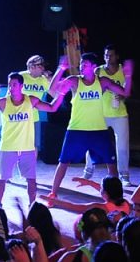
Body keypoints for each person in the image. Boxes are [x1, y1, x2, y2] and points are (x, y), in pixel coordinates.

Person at [47, 52, 133, 199]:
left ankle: (116, 197)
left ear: (94, 67)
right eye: (81, 64)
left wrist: (128, 76)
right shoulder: (74, 81)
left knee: (111, 165)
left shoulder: (102, 82)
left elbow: (125, 92)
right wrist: (61, 69)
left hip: (98, 131)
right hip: (76, 130)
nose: (81, 67)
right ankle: (53, 194)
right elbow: (52, 89)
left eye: (85, 64)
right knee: (63, 163)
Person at [0, 71, 66, 206]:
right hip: (8, 148)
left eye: (14, 84)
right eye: (9, 85)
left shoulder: (30, 100)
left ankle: (32, 205)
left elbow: (52, 108)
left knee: (31, 180)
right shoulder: (3, 102)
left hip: (27, 149)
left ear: (21, 86)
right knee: (1, 179)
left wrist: (61, 94)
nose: (11, 87)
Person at [83, 45, 133, 185]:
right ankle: (88, 170)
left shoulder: (124, 70)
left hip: (119, 113)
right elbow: (91, 86)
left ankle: (124, 175)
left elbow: (128, 91)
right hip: (101, 113)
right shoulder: (98, 71)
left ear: (117, 56)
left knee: (122, 146)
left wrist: (122, 97)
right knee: (93, 141)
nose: (107, 58)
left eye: (110, 55)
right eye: (105, 55)